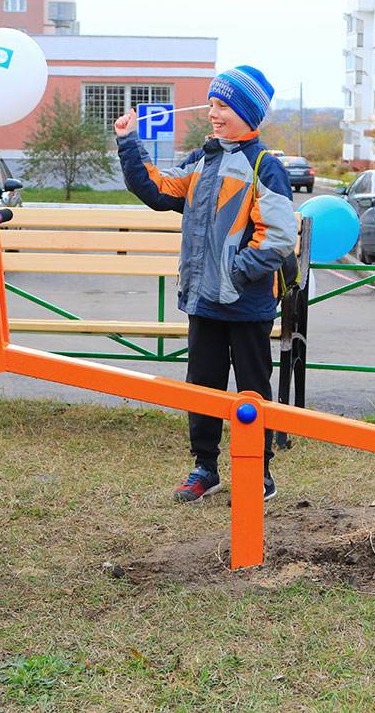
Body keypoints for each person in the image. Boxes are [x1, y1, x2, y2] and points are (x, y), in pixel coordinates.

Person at [114, 65, 298, 503]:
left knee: (252, 388)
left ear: (248, 113)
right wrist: (127, 143)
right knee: (202, 384)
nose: (214, 114)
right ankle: (204, 468)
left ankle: (260, 473)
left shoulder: (264, 167)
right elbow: (157, 191)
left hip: (246, 304)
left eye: (224, 106)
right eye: (212, 105)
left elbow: (277, 239)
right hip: (202, 303)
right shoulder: (200, 162)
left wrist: (233, 274)